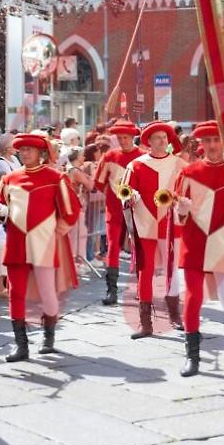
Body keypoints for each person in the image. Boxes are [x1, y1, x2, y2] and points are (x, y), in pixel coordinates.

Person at [173, 120, 224, 376]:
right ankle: (192, 356)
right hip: (194, 242)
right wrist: (182, 211)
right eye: (206, 141)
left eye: (215, 140)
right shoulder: (188, 173)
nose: (211, 145)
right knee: (192, 297)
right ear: (200, 144)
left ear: (223, 142)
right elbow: (178, 216)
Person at [0, 131, 80, 362]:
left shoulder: (55, 177)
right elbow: (0, 207)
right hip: (16, 242)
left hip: (44, 242)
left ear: (40, 153)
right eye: (21, 150)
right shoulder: (9, 179)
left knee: (47, 292)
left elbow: (71, 209)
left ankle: (48, 337)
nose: (24, 153)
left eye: (29, 149)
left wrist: (56, 232)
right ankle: (21, 345)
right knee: (16, 293)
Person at [122, 121, 188, 337]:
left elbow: (188, 191)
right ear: (148, 141)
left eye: (165, 137)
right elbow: (125, 191)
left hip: (171, 225)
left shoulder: (180, 164)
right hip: (145, 224)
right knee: (146, 271)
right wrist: (131, 197)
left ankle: (175, 316)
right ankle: (146, 323)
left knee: (172, 272)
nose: (162, 141)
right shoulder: (136, 165)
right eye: (157, 137)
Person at [93, 120, 144, 306]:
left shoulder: (143, 157)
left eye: (126, 137)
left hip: (138, 210)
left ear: (132, 137)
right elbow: (98, 182)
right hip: (114, 210)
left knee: (139, 248)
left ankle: (142, 289)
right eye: (120, 137)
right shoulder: (109, 157)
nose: (123, 141)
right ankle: (111, 290)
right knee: (113, 246)